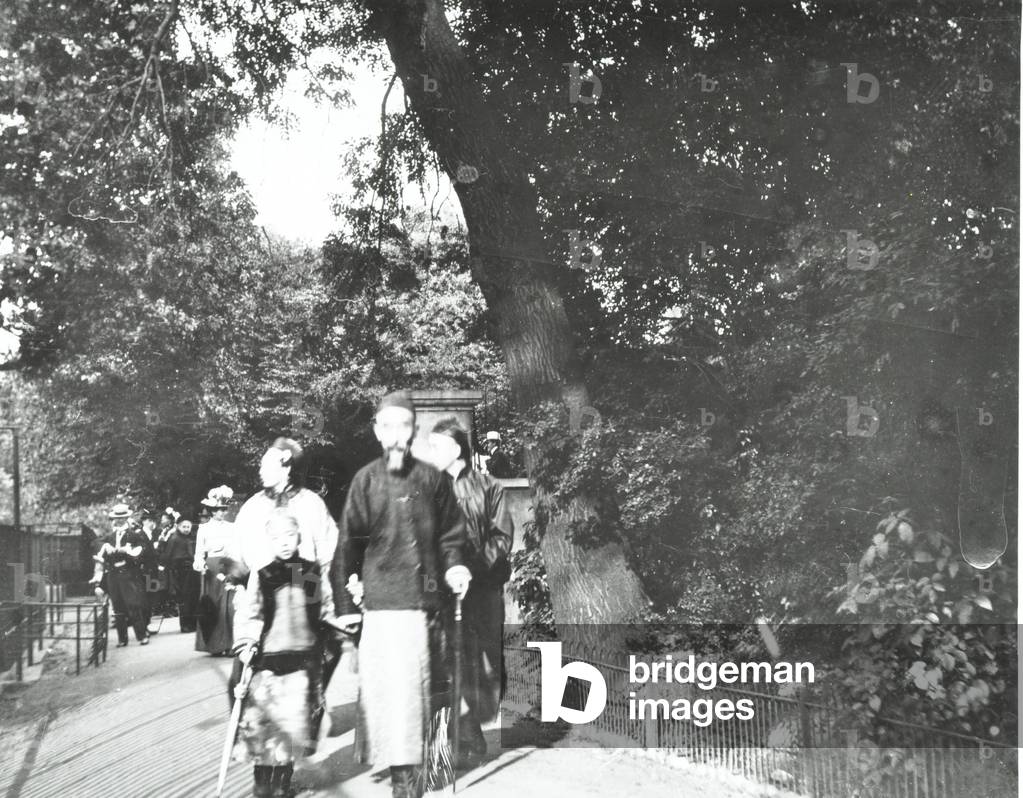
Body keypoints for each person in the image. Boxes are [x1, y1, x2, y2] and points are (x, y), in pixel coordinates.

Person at [330, 389, 470, 798]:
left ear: (412, 431)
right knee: (390, 698)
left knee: (421, 696)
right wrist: (345, 604)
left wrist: (456, 565)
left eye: (403, 426)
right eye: (387, 426)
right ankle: (403, 779)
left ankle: (414, 778)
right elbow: (347, 546)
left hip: (424, 605)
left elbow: (451, 535)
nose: (396, 435)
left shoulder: (433, 479)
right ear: (377, 432)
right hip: (381, 607)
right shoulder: (365, 481)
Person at [427, 417, 514, 764]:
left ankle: (476, 721)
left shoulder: (489, 486)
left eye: (436, 446)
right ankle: (466, 735)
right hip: (446, 592)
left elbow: (501, 536)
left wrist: (472, 570)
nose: (430, 452)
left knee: (490, 664)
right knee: (455, 660)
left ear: (456, 448)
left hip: (484, 587)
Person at [230, 438, 338, 714]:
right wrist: (238, 586)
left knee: (319, 660)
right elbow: (237, 556)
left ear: (286, 468)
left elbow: (327, 552)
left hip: (304, 595)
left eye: (267, 465)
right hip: (263, 597)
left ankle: (309, 711)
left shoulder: (312, 504)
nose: (260, 471)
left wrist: (324, 604)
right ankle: (254, 740)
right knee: (241, 680)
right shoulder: (251, 507)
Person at [232, 511, 334, 798]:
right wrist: (248, 642)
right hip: (269, 663)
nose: (284, 543)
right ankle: (262, 782)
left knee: (292, 727)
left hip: (303, 663)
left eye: (289, 535)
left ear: (299, 537)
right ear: (269, 542)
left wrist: (339, 625)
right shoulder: (264, 574)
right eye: (277, 538)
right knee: (264, 726)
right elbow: (252, 613)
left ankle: (283, 782)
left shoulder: (311, 571)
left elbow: (323, 609)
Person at [89, 503, 151, 647]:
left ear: (126, 518)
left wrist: (126, 552)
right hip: (113, 575)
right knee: (117, 607)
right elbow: (96, 543)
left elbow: (141, 551)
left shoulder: (133, 534)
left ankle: (142, 636)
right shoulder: (110, 536)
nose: (120, 520)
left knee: (133, 605)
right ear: (113, 519)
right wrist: (106, 547)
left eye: (122, 517)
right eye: (117, 518)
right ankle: (122, 639)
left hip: (128, 573)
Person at [193, 485, 239, 655]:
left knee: (229, 605)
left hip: (228, 565)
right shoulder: (204, 529)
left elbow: (236, 547)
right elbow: (199, 554)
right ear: (212, 511)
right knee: (213, 606)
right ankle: (215, 645)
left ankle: (230, 644)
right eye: (219, 510)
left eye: (224, 509)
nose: (222, 513)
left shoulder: (232, 527)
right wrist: (201, 565)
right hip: (211, 568)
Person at [160, 517, 200, 633]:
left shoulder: (190, 538)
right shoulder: (174, 539)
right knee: (184, 599)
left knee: (193, 597)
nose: (187, 529)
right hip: (180, 572)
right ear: (178, 526)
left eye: (188, 527)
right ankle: (185, 625)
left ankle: (193, 623)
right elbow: (167, 556)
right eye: (184, 527)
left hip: (191, 571)